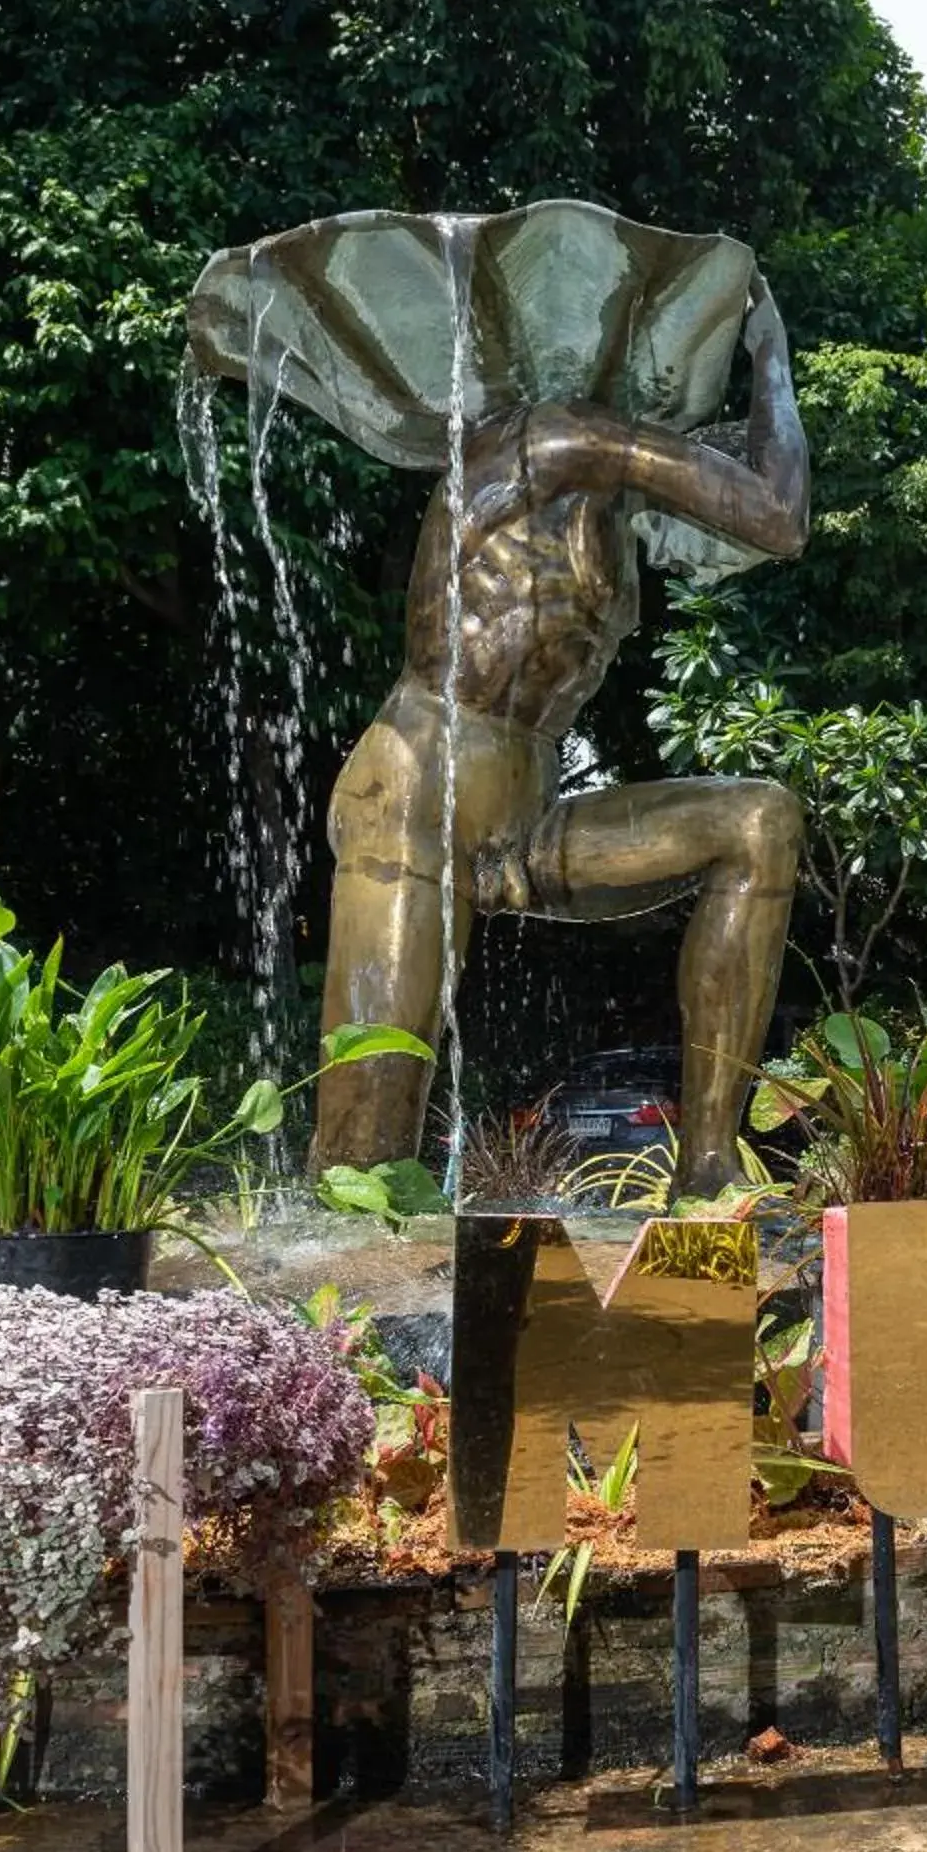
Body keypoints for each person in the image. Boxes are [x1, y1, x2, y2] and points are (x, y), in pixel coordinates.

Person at [307, 270, 810, 1196]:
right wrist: (770, 360)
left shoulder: (610, 498)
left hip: (527, 808)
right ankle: (331, 1329)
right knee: (363, 1156)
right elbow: (774, 515)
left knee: (758, 820)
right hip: (419, 796)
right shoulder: (551, 435)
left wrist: (767, 374)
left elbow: (771, 506)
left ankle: (707, 1175)